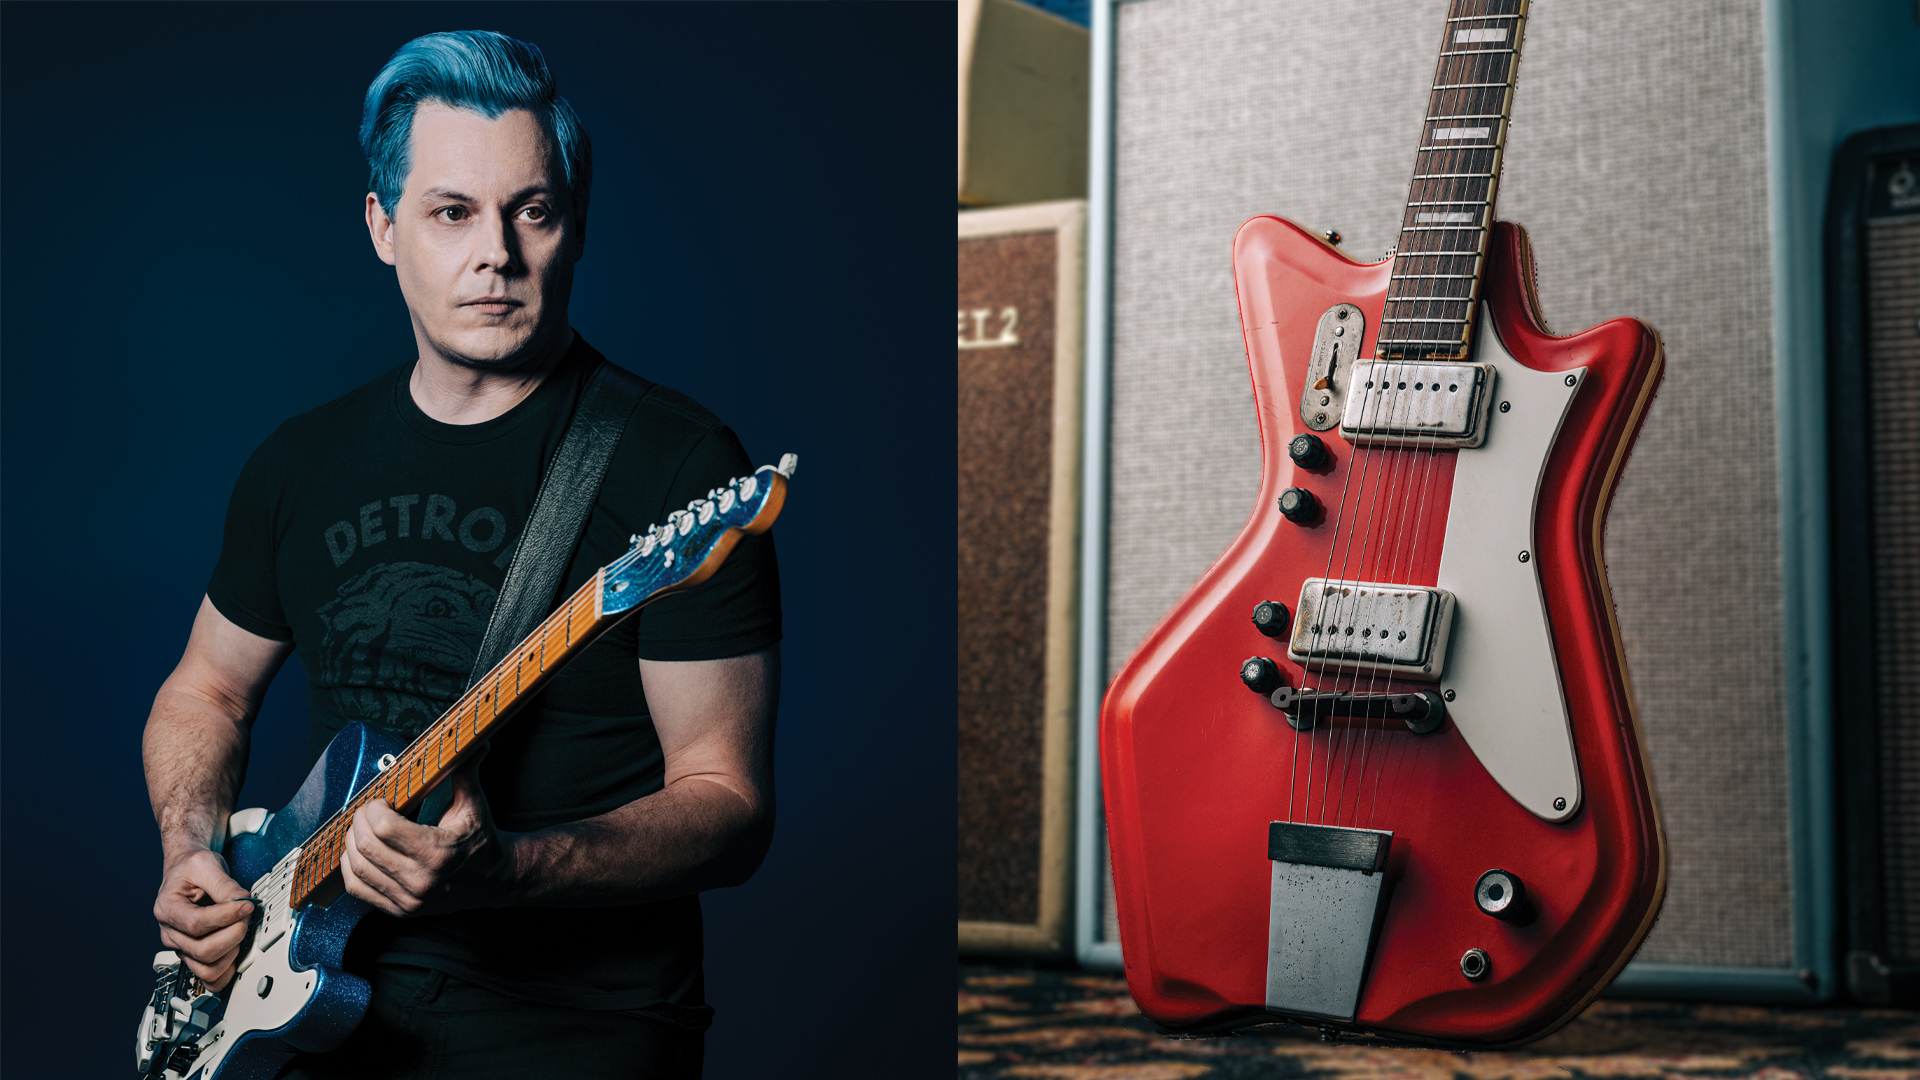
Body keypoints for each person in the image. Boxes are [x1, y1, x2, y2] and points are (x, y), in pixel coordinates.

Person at [141, 30, 780, 1079]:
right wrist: (188, 851)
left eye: (532, 211)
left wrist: (511, 872)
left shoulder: (679, 467)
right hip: (316, 1004)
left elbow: (730, 807)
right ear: (383, 227)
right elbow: (205, 692)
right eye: (451, 213)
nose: (497, 253)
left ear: (572, 229)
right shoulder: (299, 463)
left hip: (578, 1030)